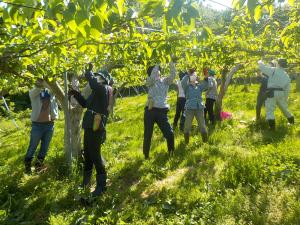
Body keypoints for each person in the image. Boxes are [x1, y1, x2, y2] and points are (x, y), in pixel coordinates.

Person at [69, 64, 110, 197]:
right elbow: (86, 104)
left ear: (103, 79)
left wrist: (89, 72)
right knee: (87, 153)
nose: (96, 78)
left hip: (96, 126)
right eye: (96, 76)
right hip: (89, 125)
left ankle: (101, 186)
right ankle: (85, 182)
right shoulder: (95, 92)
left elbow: (93, 83)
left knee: (95, 154)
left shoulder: (103, 89)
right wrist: (76, 94)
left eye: (98, 77)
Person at [24, 79, 58, 174]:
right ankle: (27, 167)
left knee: (45, 147)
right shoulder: (34, 92)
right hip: (37, 125)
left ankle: (38, 166)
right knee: (33, 146)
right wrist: (41, 82)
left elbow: (55, 97)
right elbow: (37, 88)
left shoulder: (51, 93)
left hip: (49, 125)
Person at [143, 62, 176, 159]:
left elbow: (173, 74)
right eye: (155, 71)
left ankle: (171, 153)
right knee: (148, 134)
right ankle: (146, 156)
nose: (157, 72)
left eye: (158, 71)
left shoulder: (165, 81)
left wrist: (170, 62)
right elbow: (153, 76)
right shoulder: (149, 81)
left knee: (169, 134)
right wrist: (157, 63)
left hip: (162, 112)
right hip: (150, 111)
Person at [258, 59, 294, 130]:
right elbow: (287, 89)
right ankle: (292, 122)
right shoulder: (286, 75)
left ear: (278, 64)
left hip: (272, 92)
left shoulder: (274, 70)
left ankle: (272, 128)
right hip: (281, 93)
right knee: (284, 108)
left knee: (270, 110)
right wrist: (285, 98)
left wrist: (260, 61)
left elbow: (263, 68)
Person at [181, 69, 208, 144]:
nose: (193, 77)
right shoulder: (187, 87)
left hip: (199, 108)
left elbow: (206, 85)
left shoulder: (199, 86)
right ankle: (186, 142)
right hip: (189, 108)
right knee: (187, 126)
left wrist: (206, 77)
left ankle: (205, 142)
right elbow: (182, 82)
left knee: (202, 125)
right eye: (192, 76)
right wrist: (188, 74)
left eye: (194, 76)